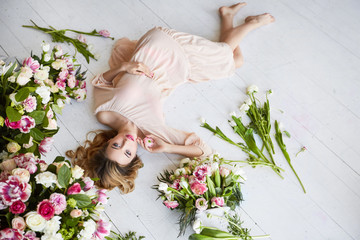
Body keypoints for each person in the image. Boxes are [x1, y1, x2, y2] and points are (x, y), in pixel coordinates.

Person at [66, 2, 275, 193]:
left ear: (108, 142)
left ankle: (251, 24)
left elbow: (100, 82)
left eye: (116, 145)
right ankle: (227, 16)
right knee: (235, 61)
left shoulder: (105, 115)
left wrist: (123, 67)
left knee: (226, 54)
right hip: (177, 70)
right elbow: (204, 150)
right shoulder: (154, 133)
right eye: (128, 153)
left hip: (159, 47)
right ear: (134, 157)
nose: (125, 142)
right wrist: (167, 148)